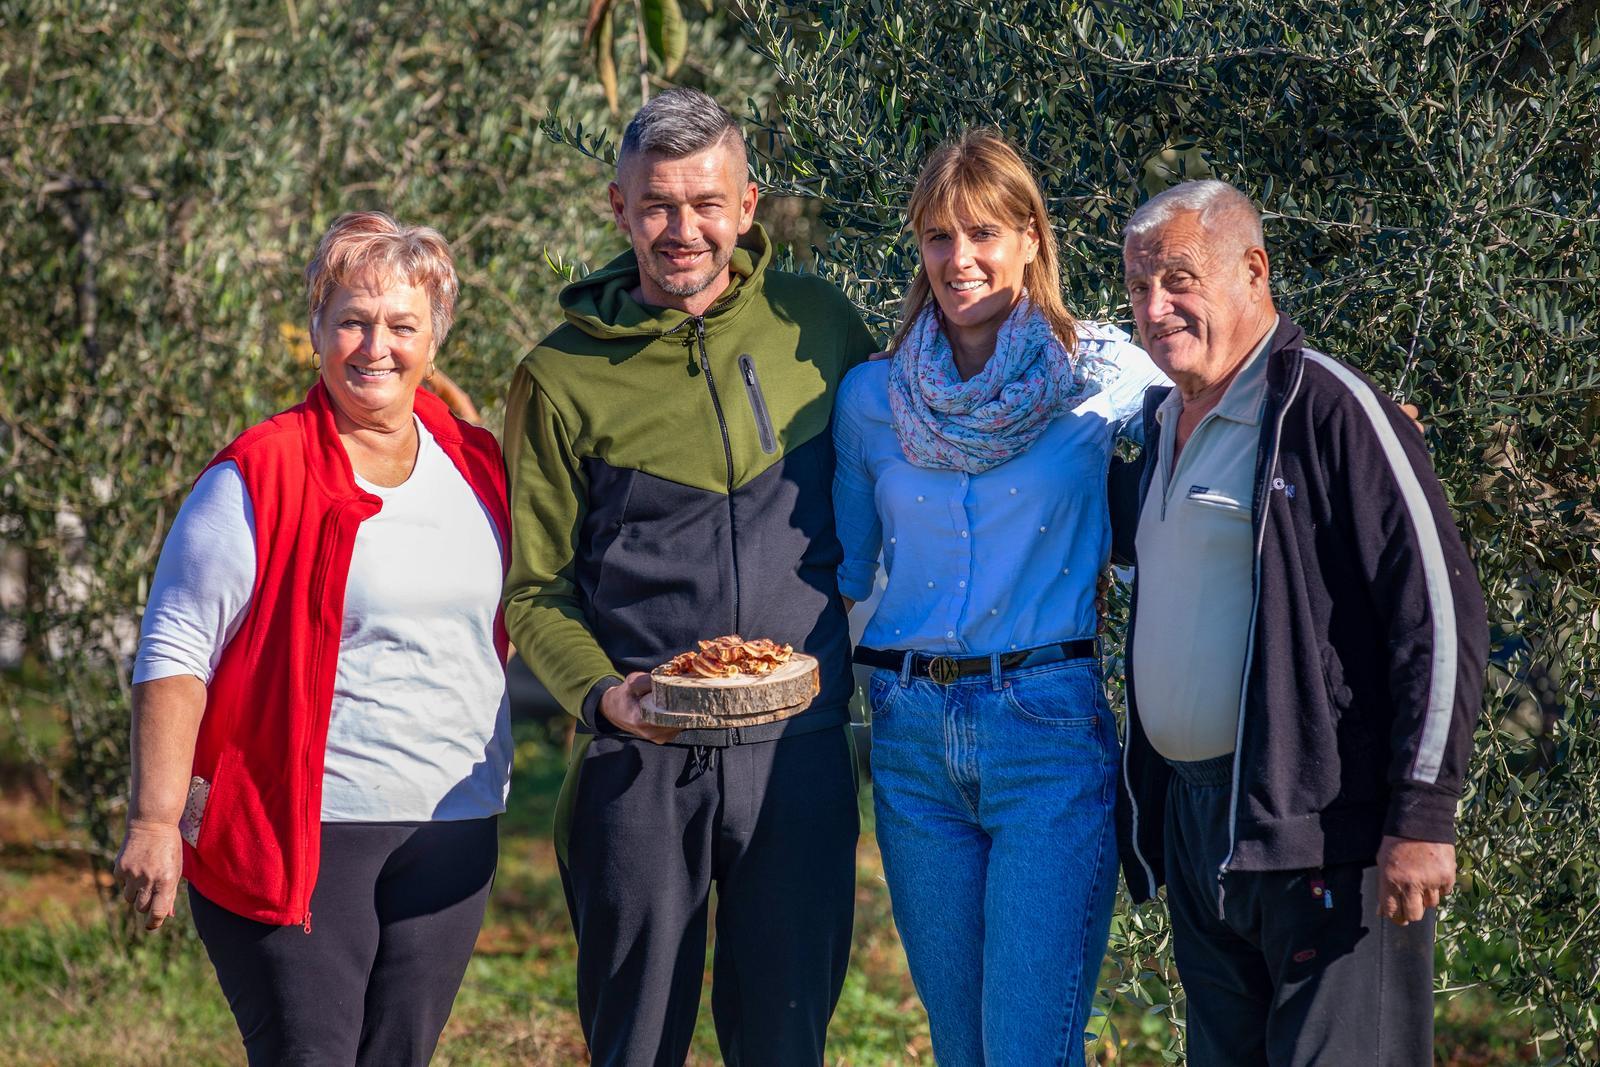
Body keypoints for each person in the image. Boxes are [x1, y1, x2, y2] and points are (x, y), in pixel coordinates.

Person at [502, 88, 876, 1066]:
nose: (683, 230)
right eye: (658, 205)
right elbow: (532, 586)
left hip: (799, 748)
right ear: (618, 208)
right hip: (640, 756)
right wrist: (601, 696)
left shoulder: (820, 328)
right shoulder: (559, 375)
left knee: (788, 1041)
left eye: (706, 203)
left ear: (746, 206)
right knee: (633, 1047)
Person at [112, 211, 512, 1066]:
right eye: (352, 321)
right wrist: (153, 816)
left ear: (433, 340)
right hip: (300, 828)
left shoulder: (474, 462)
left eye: (402, 325)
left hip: (454, 823)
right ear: (318, 331)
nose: (376, 346)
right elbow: (175, 649)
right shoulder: (256, 474)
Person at [1115, 180, 1489, 1065]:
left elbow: (1439, 605)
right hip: (1205, 823)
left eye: (1179, 279)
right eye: (1137, 288)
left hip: (1326, 828)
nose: (1155, 308)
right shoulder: (1157, 423)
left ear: (1253, 270)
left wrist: (1425, 812)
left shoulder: (1327, 408)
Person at [831, 129, 1166, 1065]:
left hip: (1046, 731)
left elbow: (1223, 415)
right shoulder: (872, 399)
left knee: (1025, 1047)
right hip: (908, 737)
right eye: (938, 236)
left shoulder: (1103, 374)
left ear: (1030, 236)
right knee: (961, 1045)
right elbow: (851, 573)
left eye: (983, 232)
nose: (960, 258)